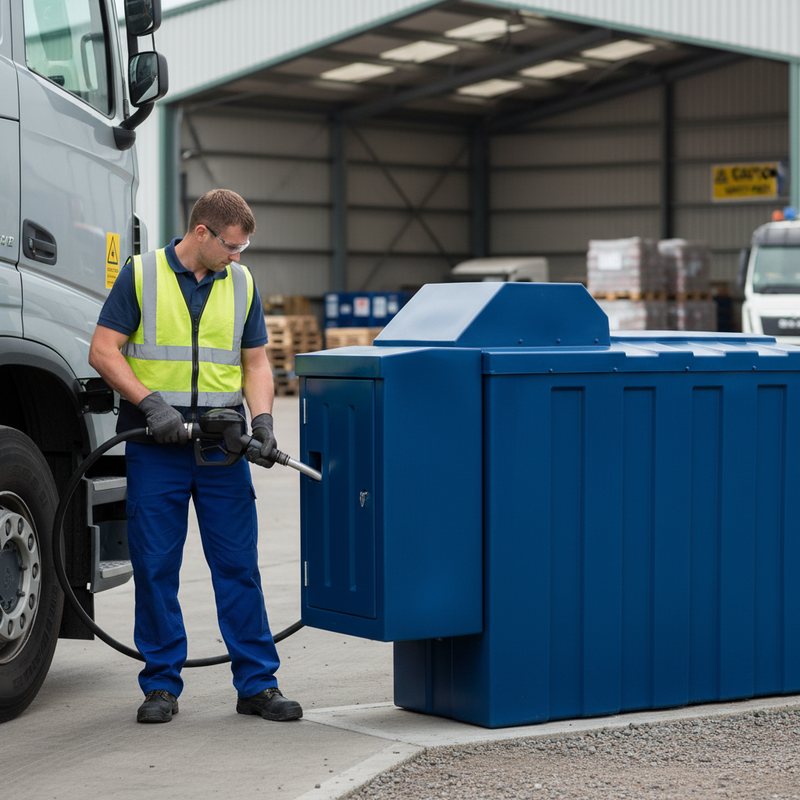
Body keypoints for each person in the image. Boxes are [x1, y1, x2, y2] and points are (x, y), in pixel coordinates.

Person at [88, 189, 302, 724]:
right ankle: (161, 685)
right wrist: (148, 403)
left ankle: (257, 684)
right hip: (155, 444)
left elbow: (256, 363)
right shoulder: (141, 274)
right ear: (201, 233)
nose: (238, 257)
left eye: (244, 248)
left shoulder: (242, 282)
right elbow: (103, 349)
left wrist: (264, 421)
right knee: (156, 566)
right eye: (232, 246)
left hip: (222, 447)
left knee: (237, 565)